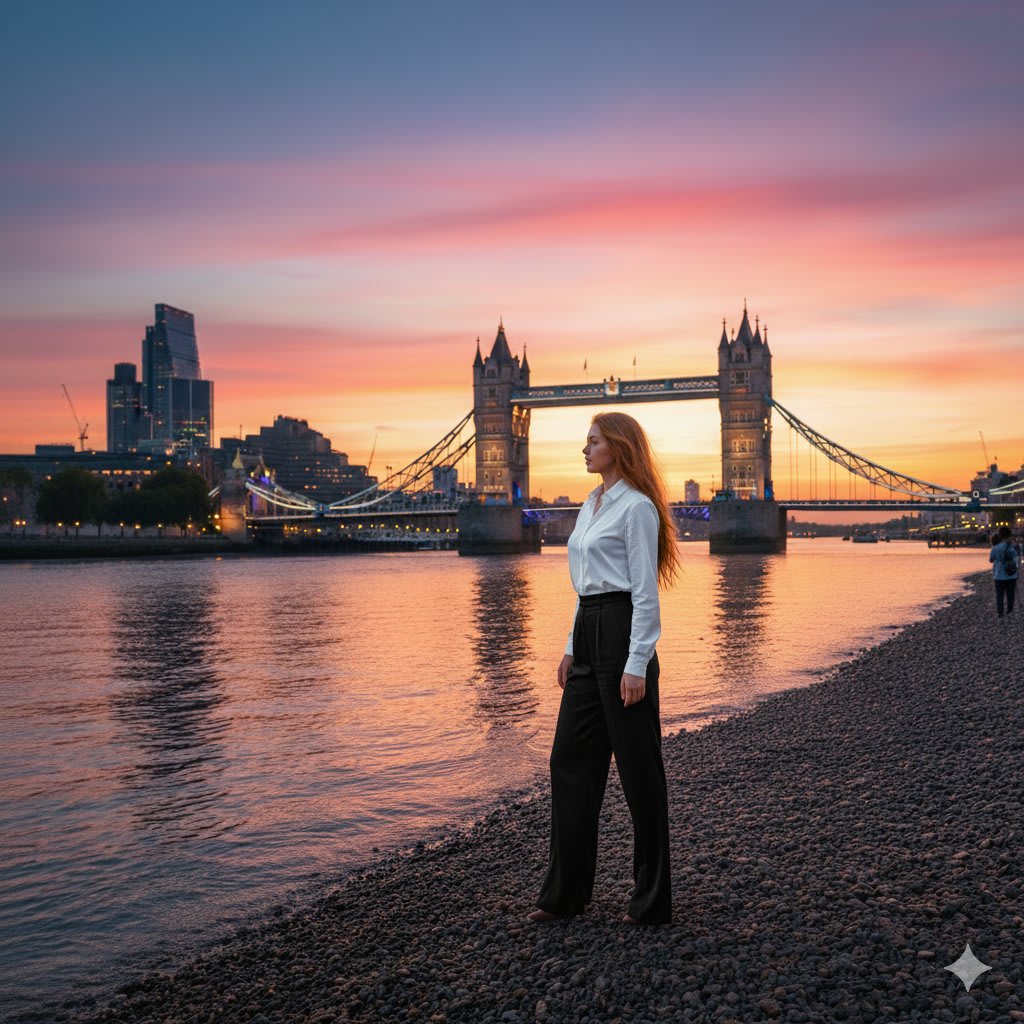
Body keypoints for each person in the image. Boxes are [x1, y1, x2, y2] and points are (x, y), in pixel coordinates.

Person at [527, 411, 682, 926]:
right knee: (569, 764)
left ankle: (651, 900)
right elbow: (586, 584)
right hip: (589, 635)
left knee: (640, 775)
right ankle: (565, 895)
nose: (585, 449)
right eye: (586, 441)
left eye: (592, 441)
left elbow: (644, 592)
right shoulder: (589, 505)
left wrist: (637, 663)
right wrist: (571, 646)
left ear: (617, 446)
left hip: (622, 634)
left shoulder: (637, 509)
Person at [989, 525, 1018, 617]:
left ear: (1000, 535)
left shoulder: (996, 547)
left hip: (998, 574)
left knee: (999, 595)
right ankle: (1009, 611)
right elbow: (1015, 555)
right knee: (1010, 594)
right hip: (1011, 574)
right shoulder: (1012, 546)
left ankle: (1000, 612)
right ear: (1009, 535)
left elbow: (991, 560)